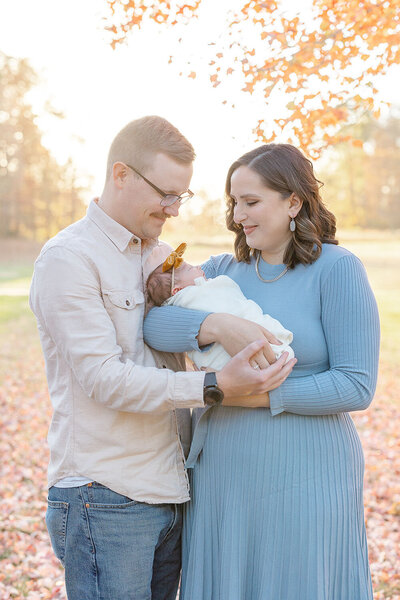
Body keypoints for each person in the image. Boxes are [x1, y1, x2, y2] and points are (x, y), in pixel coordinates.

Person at [29, 117, 297, 600]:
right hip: (105, 495)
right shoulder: (69, 259)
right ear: (121, 174)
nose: (173, 209)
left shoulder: (164, 258)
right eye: (165, 194)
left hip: (172, 491)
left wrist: (219, 325)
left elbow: (190, 326)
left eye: (182, 197)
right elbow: (103, 378)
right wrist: (215, 386)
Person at [144, 143, 380, 600]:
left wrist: (258, 394)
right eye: (234, 203)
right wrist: (221, 325)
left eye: (251, 202)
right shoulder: (219, 272)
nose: (238, 216)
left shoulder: (338, 269)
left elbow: (356, 384)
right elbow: (154, 324)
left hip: (309, 473)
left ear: (293, 202)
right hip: (224, 475)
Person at [146, 245, 294, 370]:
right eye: (191, 268)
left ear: (293, 208)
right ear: (177, 291)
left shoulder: (317, 272)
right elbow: (150, 325)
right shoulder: (218, 268)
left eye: (251, 207)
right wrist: (219, 325)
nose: (238, 216)